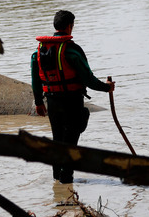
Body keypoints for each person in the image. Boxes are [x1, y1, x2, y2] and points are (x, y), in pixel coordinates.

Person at [31, 10, 115, 184]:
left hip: (52, 101)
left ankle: (57, 182)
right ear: (70, 26)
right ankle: (66, 183)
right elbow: (88, 79)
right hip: (72, 102)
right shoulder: (72, 51)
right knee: (70, 143)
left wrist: (39, 102)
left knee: (58, 141)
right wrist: (106, 88)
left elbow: (35, 78)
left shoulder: (39, 51)